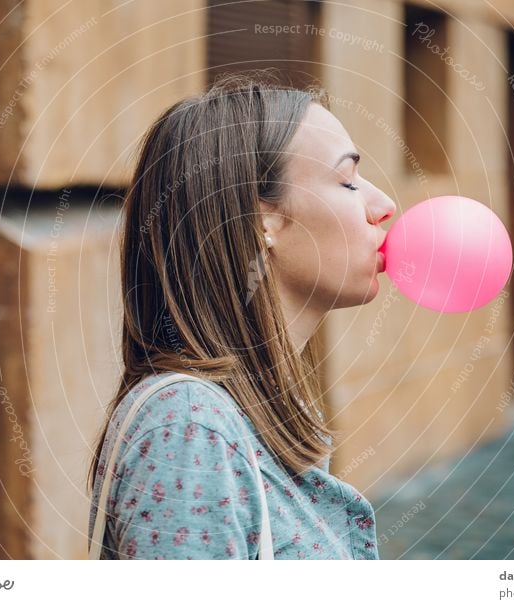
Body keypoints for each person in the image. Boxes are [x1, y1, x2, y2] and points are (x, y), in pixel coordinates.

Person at [87, 72, 396, 559]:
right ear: (259, 219)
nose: (384, 205)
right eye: (349, 180)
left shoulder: (244, 414)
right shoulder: (190, 430)